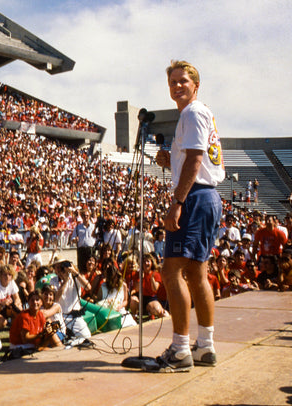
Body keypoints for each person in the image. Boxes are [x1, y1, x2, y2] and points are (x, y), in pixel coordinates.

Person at [148, 60, 225, 373]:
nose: (177, 86)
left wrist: (177, 202)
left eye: (183, 81)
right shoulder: (200, 112)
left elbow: (195, 160)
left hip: (195, 197)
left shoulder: (192, 113)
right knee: (196, 273)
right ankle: (205, 345)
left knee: (171, 271)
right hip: (207, 197)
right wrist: (171, 161)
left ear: (195, 84)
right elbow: (193, 159)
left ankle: (180, 349)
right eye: (173, 82)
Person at [70, 210, 96, 275]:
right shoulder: (78, 227)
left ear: (89, 216)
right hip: (81, 250)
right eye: (84, 216)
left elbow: (97, 237)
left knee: (91, 268)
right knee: (82, 269)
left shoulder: (93, 227)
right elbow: (73, 238)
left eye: (87, 215)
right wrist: (75, 239)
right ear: (82, 217)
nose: (86, 217)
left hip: (91, 249)